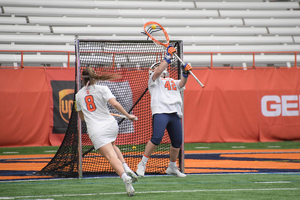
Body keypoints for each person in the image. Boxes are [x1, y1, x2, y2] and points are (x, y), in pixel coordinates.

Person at [75, 67, 138, 196]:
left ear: (82, 78)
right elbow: (114, 104)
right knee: (113, 146)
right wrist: (128, 115)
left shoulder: (78, 95)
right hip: (111, 125)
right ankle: (125, 167)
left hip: (96, 130)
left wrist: (93, 113)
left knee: (110, 156)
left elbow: (82, 118)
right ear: (94, 77)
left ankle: (124, 177)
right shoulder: (103, 89)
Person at [136, 45, 192, 178]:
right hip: (161, 111)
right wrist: (168, 57)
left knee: (177, 142)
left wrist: (185, 73)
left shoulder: (171, 80)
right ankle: (142, 163)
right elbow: (157, 72)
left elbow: (182, 84)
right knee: (156, 138)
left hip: (174, 112)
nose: (159, 69)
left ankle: (172, 167)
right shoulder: (154, 80)